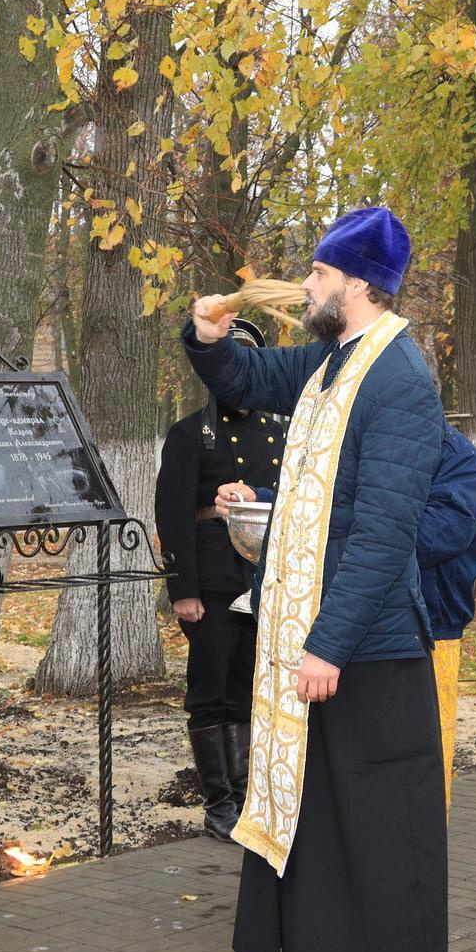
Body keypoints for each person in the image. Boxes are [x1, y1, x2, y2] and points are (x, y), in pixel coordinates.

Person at [184, 204, 449, 952]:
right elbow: (246, 380)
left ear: (360, 284)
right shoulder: (333, 359)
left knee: (364, 819)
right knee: (321, 814)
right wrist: (206, 335)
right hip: (319, 638)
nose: (306, 284)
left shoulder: (398, 377)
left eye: (321, 274)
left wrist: (326, 641)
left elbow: (384, 529)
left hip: (363, 648)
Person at [155, 317, 287, 841]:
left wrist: (257, 493)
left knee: (250, 687)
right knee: (211, 689)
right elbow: (171, 513)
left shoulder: (283, 431)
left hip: (266, 577)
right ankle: (220, 802)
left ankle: (249, 793)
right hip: (211, 579)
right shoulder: (191, 433)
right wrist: (182, 590)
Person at [419, 426, 476, 813]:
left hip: (433, 623)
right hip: (370, 617)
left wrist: (361, 540)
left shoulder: (454, 455)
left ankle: (424, 851)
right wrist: (262, 499)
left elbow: (440, 534)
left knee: (427, 745)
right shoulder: (370, 438)